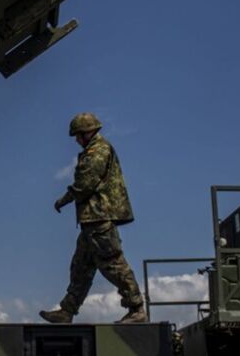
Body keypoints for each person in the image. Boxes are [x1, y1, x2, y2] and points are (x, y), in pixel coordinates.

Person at [39, 112, 147, 324]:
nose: (77, 140)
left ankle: (136, 308)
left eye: (78, 135)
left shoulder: (98, 151)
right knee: (80, 266)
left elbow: (85, 184)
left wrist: (64, 199)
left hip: (99, 218)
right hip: (92, 220)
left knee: (113, 264)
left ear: (88, 132)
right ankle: (67, 310)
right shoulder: (93, 150)